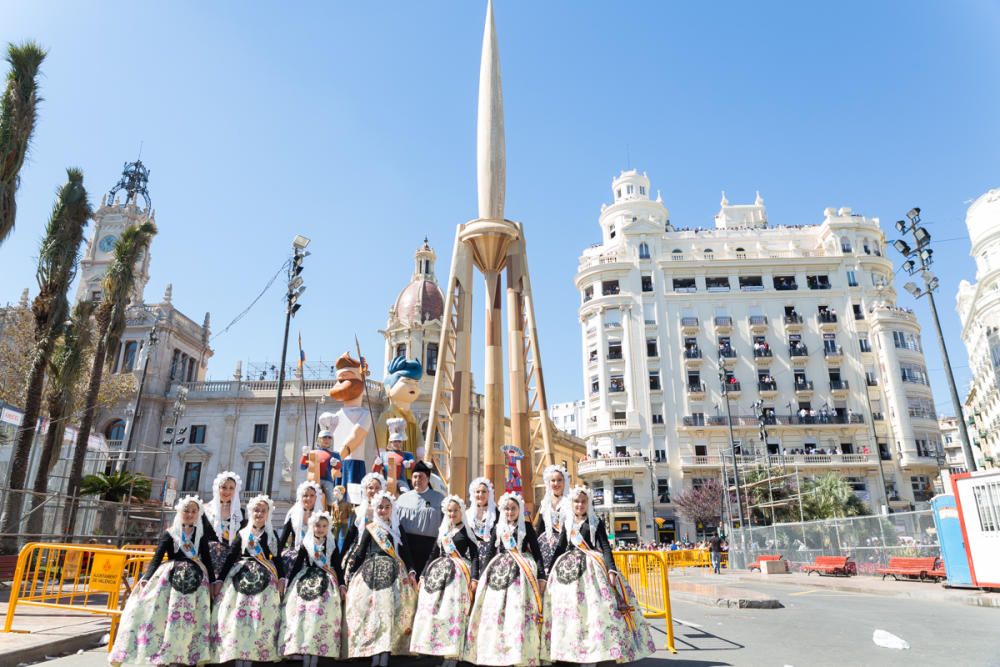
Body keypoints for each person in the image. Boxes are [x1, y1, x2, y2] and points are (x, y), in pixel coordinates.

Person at [542, 485, 655, 665]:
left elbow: (606, 547)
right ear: (571, 503)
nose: (579, 505)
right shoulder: (567, 522)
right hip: (568, 570)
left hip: (592, 568)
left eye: (583, 501)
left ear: (588, 503)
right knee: (570, 611)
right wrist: (548, 571)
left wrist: (611, 570)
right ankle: (570, 648)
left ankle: (600, 649)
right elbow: (560, 548)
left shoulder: (596, 522)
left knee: (597, 610)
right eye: (576, 501)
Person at [109, 496, 216, 667]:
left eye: (193, 511)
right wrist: (146, 578)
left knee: (191, 619)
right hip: (170, 578)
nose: (189, 514)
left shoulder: (201, 535)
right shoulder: (170, 533)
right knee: (165, 616)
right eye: (186, 511)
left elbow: (207, 559)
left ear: (198, 514)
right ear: (180, 512)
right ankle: (163, 652)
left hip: (196, 580)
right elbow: (157, 558)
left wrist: (213, 581)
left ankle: (188, 654)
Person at [463, 492, 547, 667]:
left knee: (518, 611)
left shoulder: (526, 527)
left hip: (522, 573)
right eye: (507, 509)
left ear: (519, 509)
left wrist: (541, 576)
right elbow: (490, 555)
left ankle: (519, 651)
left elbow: (537, 553)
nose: (510, 512)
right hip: (499, 572)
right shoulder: (497, 528)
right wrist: (482, 577)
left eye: (513, 508)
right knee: (496, 612)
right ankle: (495, 650)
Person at [344, 491, 418, 666]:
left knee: (389, 610)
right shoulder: (371, 528)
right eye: (380, 507)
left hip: (394, 573)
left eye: (386, 507)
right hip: (371, 571)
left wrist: (412, 570)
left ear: (392, 509)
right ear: (375, 509)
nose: (383, 510)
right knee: (371, 612)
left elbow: (406, 551)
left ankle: (385, 651)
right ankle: (372, 649)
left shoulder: (397, 528)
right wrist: (350, 575)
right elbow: (361, 552)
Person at [212, 494, 286, 666]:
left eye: (263, 511)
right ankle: (237, 654)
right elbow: (231, 557)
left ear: (268, 514)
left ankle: (253, 655)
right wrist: (220, 580)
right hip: (240, 577)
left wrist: (282, 577)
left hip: (264, 579)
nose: (259, 514)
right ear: (251, 512)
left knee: (259, 616)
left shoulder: (271, 534)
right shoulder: (243, 533)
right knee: (237, 616)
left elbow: (276, 558)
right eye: (256, 510)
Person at [410, 496, 480, 665]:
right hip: (438, 574)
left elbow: (476, 555)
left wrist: (475, 576)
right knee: (436, 612)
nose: (452, 513)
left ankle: (454, 655)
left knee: (453, 612)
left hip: (458, 575)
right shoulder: (443, 531)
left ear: (461, 512)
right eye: (449, 510)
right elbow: (434, 553)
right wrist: (423, 575)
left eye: (455, 510)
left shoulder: (466, 531)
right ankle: (439, 649)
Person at [280, 510, 346, 665]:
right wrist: (289, 585)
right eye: (318, 525)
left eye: (324, 526)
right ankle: (303, 649)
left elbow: (337, 565)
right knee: (303, 614)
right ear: (312, 526)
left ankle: (316, 653)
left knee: (320, 615)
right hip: (306, 580)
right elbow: (297, 565)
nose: (321, 529)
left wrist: (342, 584)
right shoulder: (306, 543)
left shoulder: (331, 543)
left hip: (326, 582)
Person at [330, 352, 374, 487]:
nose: (340, 383)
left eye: (345, 378)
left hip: (353, 464)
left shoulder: (365, 414)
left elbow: (355, 437)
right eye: (339, 380)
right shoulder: (335, 415)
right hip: (335, 463)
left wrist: (338, 460)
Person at [396, 460, 444, 576]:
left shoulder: (439, 498)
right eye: (415, 477)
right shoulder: (402, 498)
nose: (417, 480)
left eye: (421, 477)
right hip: (406, 545)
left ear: (428, 479)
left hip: (429, 546)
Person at [374, 355, 423, 457]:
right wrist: (381, 453)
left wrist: (420, 448)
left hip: (410, 461)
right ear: (388, 388)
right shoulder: (387, 415)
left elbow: (418, 437)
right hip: (392, 461)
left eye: (416, 383)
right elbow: (380, 435)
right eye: (406, 382)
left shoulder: (411, 417)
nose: (413, 386)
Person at [341, 472, 386, 572]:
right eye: (370, 488)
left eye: (377, 488)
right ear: (365, 490)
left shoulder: (386, 511)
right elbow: (350, 536)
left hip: (380, 551)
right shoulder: (358, 511)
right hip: (358, 551)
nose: (373, 491)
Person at [202, 471, 245, 576]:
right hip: (207, 561)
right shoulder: (205, 510)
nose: (227, 491)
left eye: (231, 488)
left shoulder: (241, 513)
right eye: (224, 487)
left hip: (232, 563)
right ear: (217, 488)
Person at [277, 480, 322, 572]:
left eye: (312, 495)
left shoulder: (321, 516)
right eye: (305, 495)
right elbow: (283, 539)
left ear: (316, 498)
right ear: (300, 497)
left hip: (316, 555)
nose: (308, 498)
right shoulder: (292, 515)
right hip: (295, 554)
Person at [534, 463, 570, 574]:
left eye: (559, 480)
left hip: (566, 546)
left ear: (564, 482)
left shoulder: (571, 502)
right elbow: (539, 528)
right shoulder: (545, 504)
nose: (556, 483)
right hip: (546, 548)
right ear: (548, 483)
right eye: (553, 480)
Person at [300, 421, 341, 508]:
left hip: (326, 480)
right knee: (304, 495)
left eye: (329, 438)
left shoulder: (334, 454)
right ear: (319, 439)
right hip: (312, 480)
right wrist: (304, 455)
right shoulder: (312, 452)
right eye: (324, 437)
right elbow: (303, 467)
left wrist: (336, 463)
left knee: (331, 500)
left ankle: (336, 501)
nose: (327, 439)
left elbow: (340, 467)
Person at [372, 417, 415, 494]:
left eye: (398, 441)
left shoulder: (407, 454)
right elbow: (375, 471)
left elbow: (414, 465)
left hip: (400, 481)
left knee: (406, 493)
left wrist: (410, 464)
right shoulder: (383, 455)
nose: (396, 443)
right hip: (385, 482)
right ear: (390, 443)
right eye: (394, 441)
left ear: (401, 443)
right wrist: (376, 464)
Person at [465, 476, 498, 576]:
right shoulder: (467, 514)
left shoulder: (496, 514)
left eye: (484, 492)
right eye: (477, 491)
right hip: (470, 555)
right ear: (473, 494)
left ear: (489, 494)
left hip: (491, 555)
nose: (480, 494)